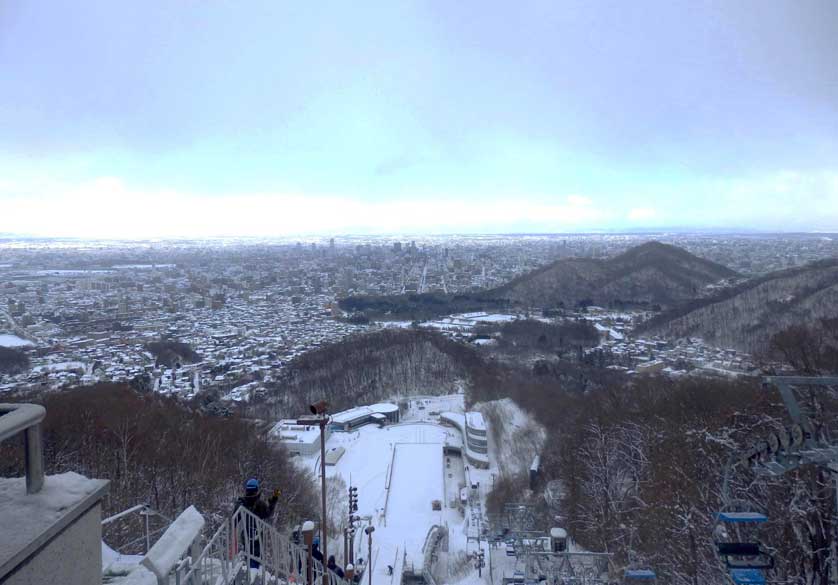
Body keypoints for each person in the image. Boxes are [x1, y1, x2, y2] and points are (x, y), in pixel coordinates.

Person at [234, 478, 280, 568]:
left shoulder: (242, 502)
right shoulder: (259, 503)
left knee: (249, 553)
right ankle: (253, 570)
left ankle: (250, 569)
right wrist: (273, 501)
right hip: (257, 534)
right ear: (256, 490)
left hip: (247, 533)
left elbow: (234, 518)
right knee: (256, 555)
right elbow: (267, 513)